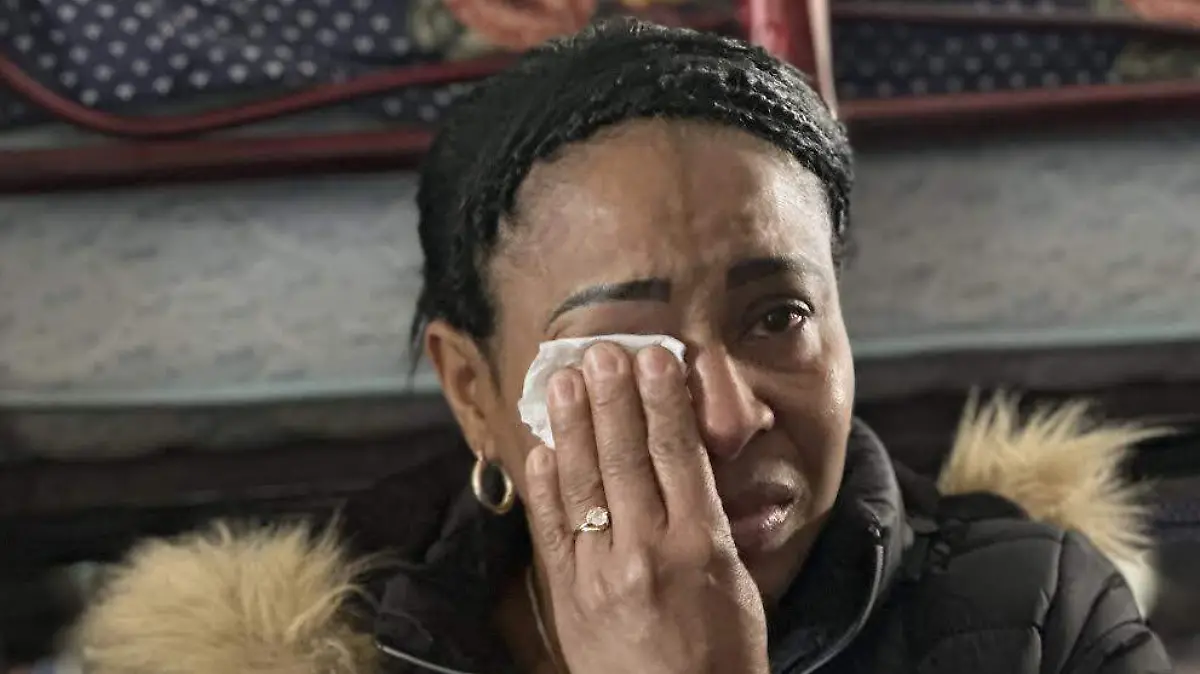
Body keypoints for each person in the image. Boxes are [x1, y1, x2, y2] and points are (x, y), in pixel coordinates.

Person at [70, 18, 1171, 674]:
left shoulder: (1041, 618)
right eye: (630, 348)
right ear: (475, 391)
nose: (732, 414)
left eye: (779, 316)